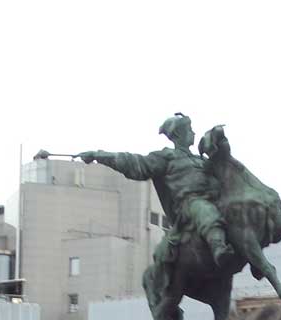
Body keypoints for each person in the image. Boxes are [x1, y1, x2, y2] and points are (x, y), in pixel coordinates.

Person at [80, 113, 233, 270]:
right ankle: (218, 248)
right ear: (179, 133)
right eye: (190, 129)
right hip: (191, 205)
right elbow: (134, 163)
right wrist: (99, 155)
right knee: (204, 210)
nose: (193, 133)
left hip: (215, 198)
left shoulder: (200, 159)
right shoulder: (166, 157)